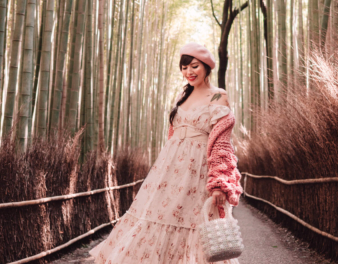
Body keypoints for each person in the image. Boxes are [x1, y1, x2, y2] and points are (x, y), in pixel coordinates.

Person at [89, 42, 243, 263]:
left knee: (194, 221)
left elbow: (221, 144)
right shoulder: (182, 96)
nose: (189, 72)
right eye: (184, 68)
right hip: (169, 171)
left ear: (207, 67)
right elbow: (173, 138)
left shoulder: (218, 96)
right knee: (157, 216)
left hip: (198, 171)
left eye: (195, 66)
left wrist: (219, 182)